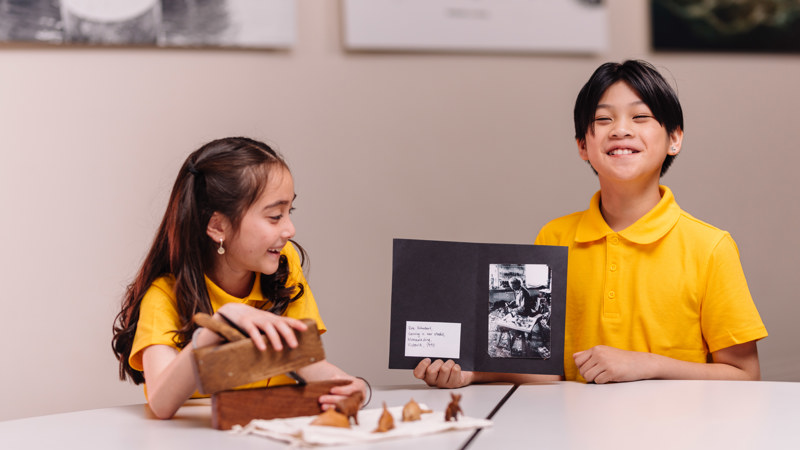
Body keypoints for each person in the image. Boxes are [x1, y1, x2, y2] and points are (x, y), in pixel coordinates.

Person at [414, 60, 767, 387]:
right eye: (603, 120)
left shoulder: (710, 247)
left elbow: (744, 375)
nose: (621, 130)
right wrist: (472, 374)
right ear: (584, 145)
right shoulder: (554, 237)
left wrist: (649, 365)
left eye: (640, 116)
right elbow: (549, 370)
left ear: (674, 138)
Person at [112, 137, 368, 419]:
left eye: (288, 212)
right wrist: (216, 327)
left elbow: (303, 361)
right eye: (274, 216)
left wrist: (353, 386)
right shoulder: (164, 295)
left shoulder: (284, 265)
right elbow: (161, 403)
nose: (290, 229)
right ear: (218, 226)